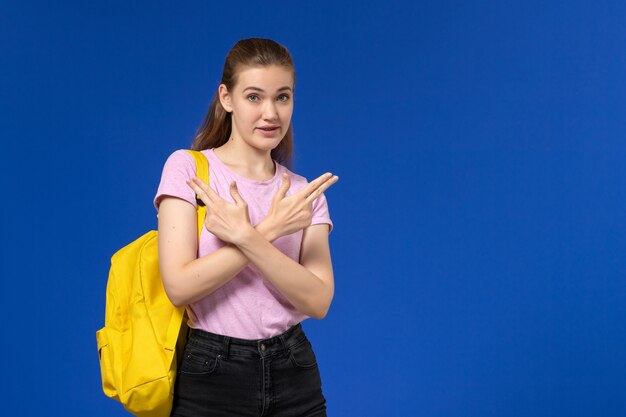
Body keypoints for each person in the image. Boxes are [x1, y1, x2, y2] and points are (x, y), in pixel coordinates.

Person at [153, 38, 339, 417]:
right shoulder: (189, 170)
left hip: (294, 370)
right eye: (254, 97)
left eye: (282, 97)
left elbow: (318, 301)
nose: (270, 113)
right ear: (227, 98)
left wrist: (249, 235)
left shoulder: (304, 193)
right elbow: (179, 286)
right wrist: (270, 229)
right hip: (211, 371)